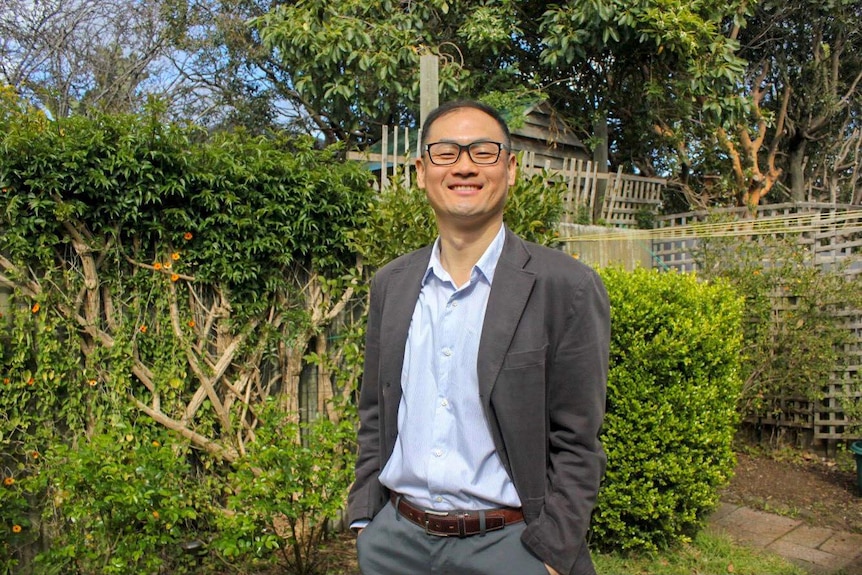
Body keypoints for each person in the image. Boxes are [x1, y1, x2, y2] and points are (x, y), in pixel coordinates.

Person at [347, 99, 610, 575]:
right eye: (446, 152)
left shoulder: (565, 287)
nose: (464, 166)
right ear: (421, 170)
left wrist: (551, 554)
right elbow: (375, 412)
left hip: (513, 549)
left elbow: (579, 439)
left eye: (483, 152)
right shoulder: (392, 284)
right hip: (396, 546)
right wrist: (367, 519)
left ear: (510, 168)